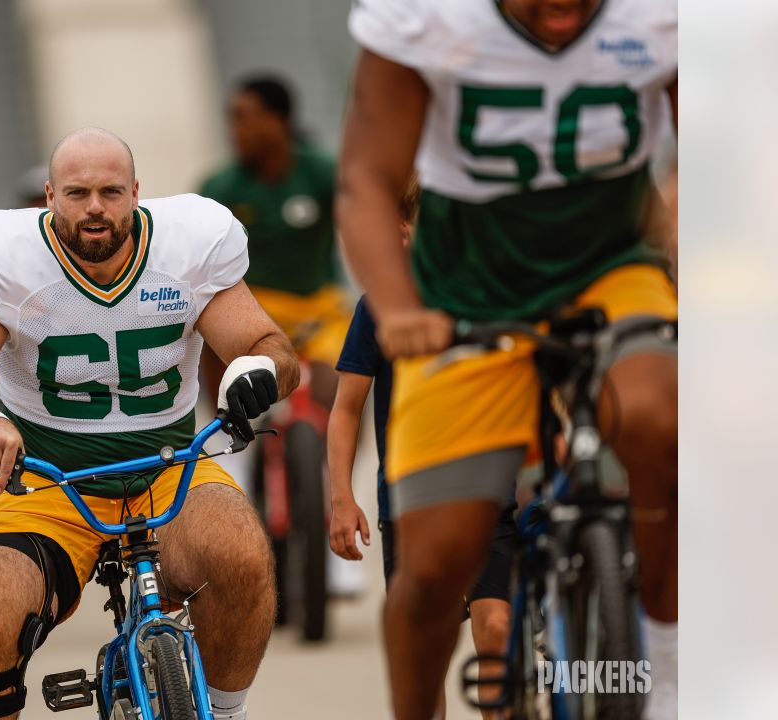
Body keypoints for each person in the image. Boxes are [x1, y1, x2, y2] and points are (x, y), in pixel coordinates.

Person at [338, 1, 678, 718]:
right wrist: (401, 311)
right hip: (467, 291)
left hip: (609, 268)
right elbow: (366, 181)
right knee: (433, 569)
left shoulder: (659, 16)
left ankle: (668, 654)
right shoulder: (428, 21)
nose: (565, 11)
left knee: (658, 417)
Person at [0, 127, 298, 720]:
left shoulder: (189, 243)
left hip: (169, 468)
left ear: (137, 192)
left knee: (241, 554)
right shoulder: (5, 256)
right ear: (48, 196)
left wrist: (255, 368)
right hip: (47, 481)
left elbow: (270, 343)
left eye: (111, 192)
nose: (95, 207)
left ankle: (226, 709)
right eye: (78, 192)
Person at [326, 179, 512, 719]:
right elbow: (344, 410)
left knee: (496, 628)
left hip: (494, 495)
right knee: (425, 657)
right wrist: (342, 497)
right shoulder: (379, 308)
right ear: (403, 233)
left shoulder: (497, 299)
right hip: (411, 503)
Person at [199, 75, 349, 408]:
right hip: (256, 309)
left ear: (276, 121)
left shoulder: (321, 172)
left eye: (242, 117)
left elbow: (364, 217)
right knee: (207, 330)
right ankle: (222, 429)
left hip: (317, 306)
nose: (233, 129)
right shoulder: (221, 187)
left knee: (333, 390)